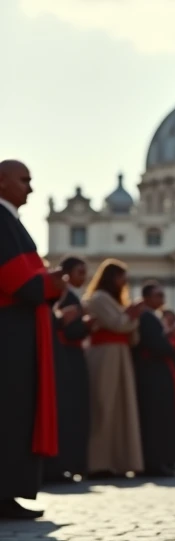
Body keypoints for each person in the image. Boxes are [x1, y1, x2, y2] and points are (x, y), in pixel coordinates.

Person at [0, 160, 62, 519]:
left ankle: (9, 492)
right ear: (2, 182)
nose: (31, 188)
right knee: (11, 411)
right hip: (10, 333)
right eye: (24, 180)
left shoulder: (11, 221)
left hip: (18, 331)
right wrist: (50, 283)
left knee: (17, 411)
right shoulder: (3, 222)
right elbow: (15, 280)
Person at [82, 259, 145, 477]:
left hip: (120, 355)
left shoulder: (114, 301)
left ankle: (117, 460)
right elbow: (117, 324)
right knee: (104, 405)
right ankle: (98, 462)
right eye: (121, 278)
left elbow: (130, 333)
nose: (124, 282)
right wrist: (131, 315)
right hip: (105, 354)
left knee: (121, 409)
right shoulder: (99, 298)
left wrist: (129, 317)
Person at [133, 282, 175, 477]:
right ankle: (155, 463)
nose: (162, 300)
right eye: (158, 295)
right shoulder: (147, 317)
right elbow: (155, 344)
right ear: (147, 297)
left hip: (157, 372)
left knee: (162, 419)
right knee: (156, 420)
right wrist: (173, 347)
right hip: (153, 374)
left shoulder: (153, 317)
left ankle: (161, 461)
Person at [46, 256, 91, 483]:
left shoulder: (71, 295)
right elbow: (66, 329)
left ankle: (69, 463)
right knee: (67, 410)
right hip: (65, 356)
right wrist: (84, 324)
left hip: (72, 355)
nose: (83, 277)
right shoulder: (64, 295)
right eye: (80, 272)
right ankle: (61, 465)